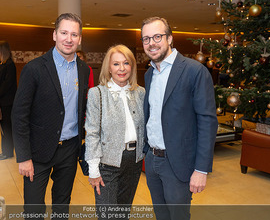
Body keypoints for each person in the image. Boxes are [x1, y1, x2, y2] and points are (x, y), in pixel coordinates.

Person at [12, 13, 90, 219]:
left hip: (70, 149)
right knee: (33, 208)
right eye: (64, 33)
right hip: (37, 151)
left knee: (62, 205)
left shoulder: (84, 69)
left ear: (80, 39)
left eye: (74, 34)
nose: (69, 39)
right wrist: (24, 156)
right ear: (54, 35)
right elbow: (19, 115)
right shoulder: (34, 68)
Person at [141, 17, 218, 220]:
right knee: (161, 215)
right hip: (152, 160)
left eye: (157, 36)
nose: (151, 43)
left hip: (178, 163)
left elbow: (207, 122)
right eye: (146, 39)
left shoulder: (194, 71)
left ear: (170, 39)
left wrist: (201, 169)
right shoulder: (149, 74)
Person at [85, 45, 145, 219]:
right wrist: (93, 169)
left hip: (133, 162)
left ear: (132, 67)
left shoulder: (140, 92)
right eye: (116, 64)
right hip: (107, 164)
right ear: (109, 68)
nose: (121, 68)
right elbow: (92, 133)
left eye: (126, 63)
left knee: (122, 213)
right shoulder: (97, 94)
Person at [0, 41, 17, 161]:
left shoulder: (10, 65)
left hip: (7, 102)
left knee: (7, 128)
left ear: (3, 49)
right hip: (0, 100)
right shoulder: (0, 63)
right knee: (2, 127)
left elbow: (8, 83)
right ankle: (5, 151)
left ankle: (8, 153)